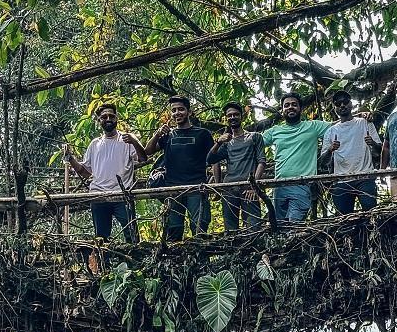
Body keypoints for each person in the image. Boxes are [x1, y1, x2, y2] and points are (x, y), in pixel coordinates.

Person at [62, 102, 141, 240]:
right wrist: (70, 157)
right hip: (99, 196)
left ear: (117, 118)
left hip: (122, 195)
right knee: (101, 238)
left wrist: (135, 141)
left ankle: (135, 261)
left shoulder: (126, 140)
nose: (108, 119)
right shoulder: (95, 144)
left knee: (132, 235)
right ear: (99, 121)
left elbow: (142, 157)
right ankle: (104, 261)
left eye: (111, 116)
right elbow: (85, 172)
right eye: (104, 117)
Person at [149, 95, 216, 241]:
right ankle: (174, 263)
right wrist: (157, 134)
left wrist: (216, 184)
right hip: (172, 189)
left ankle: (201, 262)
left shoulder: (203, 134)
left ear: (189, 112)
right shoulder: (168, 135)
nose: (177, 113)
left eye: (181, 109)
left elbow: (214, 159)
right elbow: (147, 151)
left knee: (199, 228)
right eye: (173, 110)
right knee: (173, 230)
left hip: (197, 187)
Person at [263, 92, 326, 228]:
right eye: (286, 105)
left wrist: (359, 117)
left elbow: (339, 126)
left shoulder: (313, 127)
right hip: (279, 186)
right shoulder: (275, 131)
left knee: (294, 224)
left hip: (302, 183)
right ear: (282, 110)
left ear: (300, 108)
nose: (290, 107)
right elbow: (254, 142)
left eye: (294, 104)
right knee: (280, 226)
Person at [320, 91, 381, 214]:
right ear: (334, 108)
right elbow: (322, 162)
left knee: (372, 214)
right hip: (342, 180)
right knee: (343, 220)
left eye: (345, 102)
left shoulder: (365, 122)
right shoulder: (331, 131)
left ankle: (372, 234)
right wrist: (330, 150)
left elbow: (380, 149)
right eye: (338, 103)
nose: (342, 105)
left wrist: (372, 143)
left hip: (365, 176)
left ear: (351, 104)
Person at [211, 102, 268, 233]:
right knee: (230, 230)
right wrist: (218, 142)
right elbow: (211, 159)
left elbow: (261, 161)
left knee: (253, 227)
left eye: (236, 114)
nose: (232, 117)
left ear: (242, 117)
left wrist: (254, 186)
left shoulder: (254, 137)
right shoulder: (226, 143)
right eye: (229, 115)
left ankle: (254, 252)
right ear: (226, 118)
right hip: (229, 188)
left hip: (248, 187)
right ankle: (232, 253)